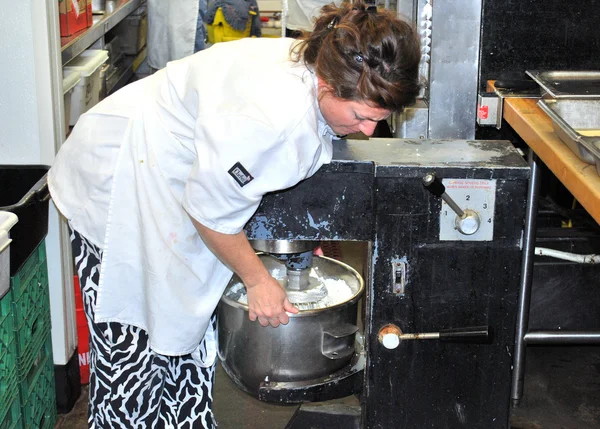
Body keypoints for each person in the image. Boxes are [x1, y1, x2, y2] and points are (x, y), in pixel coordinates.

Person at [48, 2, 420, 427]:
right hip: (119, 181)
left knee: (183, 345)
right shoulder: (270, 118)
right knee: (135, 350)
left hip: (171, 175)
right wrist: (258, 280)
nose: (368, 131)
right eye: (360, 116)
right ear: (328, 83)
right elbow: (210, 213)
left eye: (378, 120)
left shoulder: (317, 62)